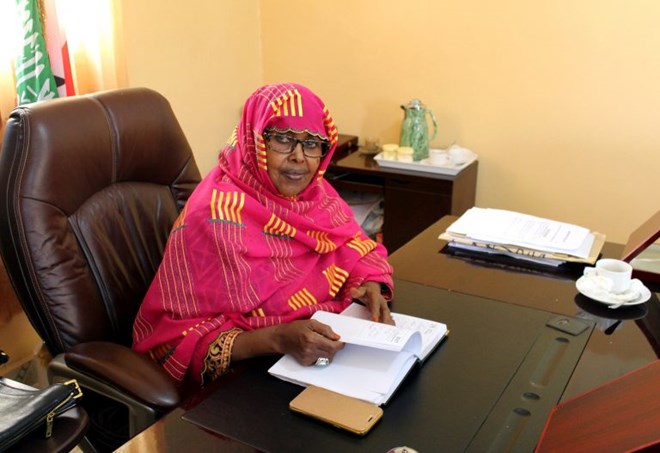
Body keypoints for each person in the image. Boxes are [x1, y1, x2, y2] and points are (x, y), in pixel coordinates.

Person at [133, 82, 394, 385]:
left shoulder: (316, 194)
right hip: (241, 381)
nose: (299, 157)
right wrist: (277, 338)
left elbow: (356, 247)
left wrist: (370, 284)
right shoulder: (214, 217)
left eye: (312, 144)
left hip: (323, 356)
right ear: (253, 139)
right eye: (283, 139)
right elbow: (172, 341)